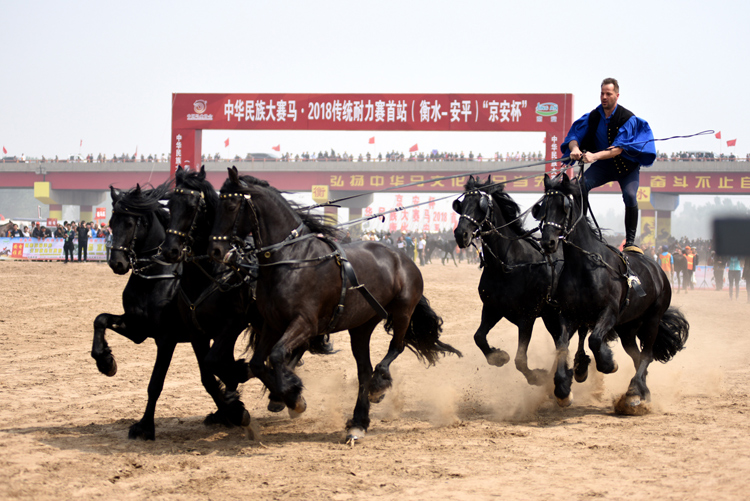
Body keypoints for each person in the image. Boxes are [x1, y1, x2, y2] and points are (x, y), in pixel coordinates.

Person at [561, 78, 656, 251]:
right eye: (602, 93)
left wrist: (593, 156)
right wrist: (575, 148)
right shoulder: (593, 116)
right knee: (579, 186)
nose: (604, 97)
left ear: (617, 95)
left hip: (626, 167)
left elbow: (616, 150)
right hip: (604, 167)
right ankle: (580, 231)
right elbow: (573, 136)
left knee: (630, 195)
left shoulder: (627, 118)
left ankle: (631, 243)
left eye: (608, 94)